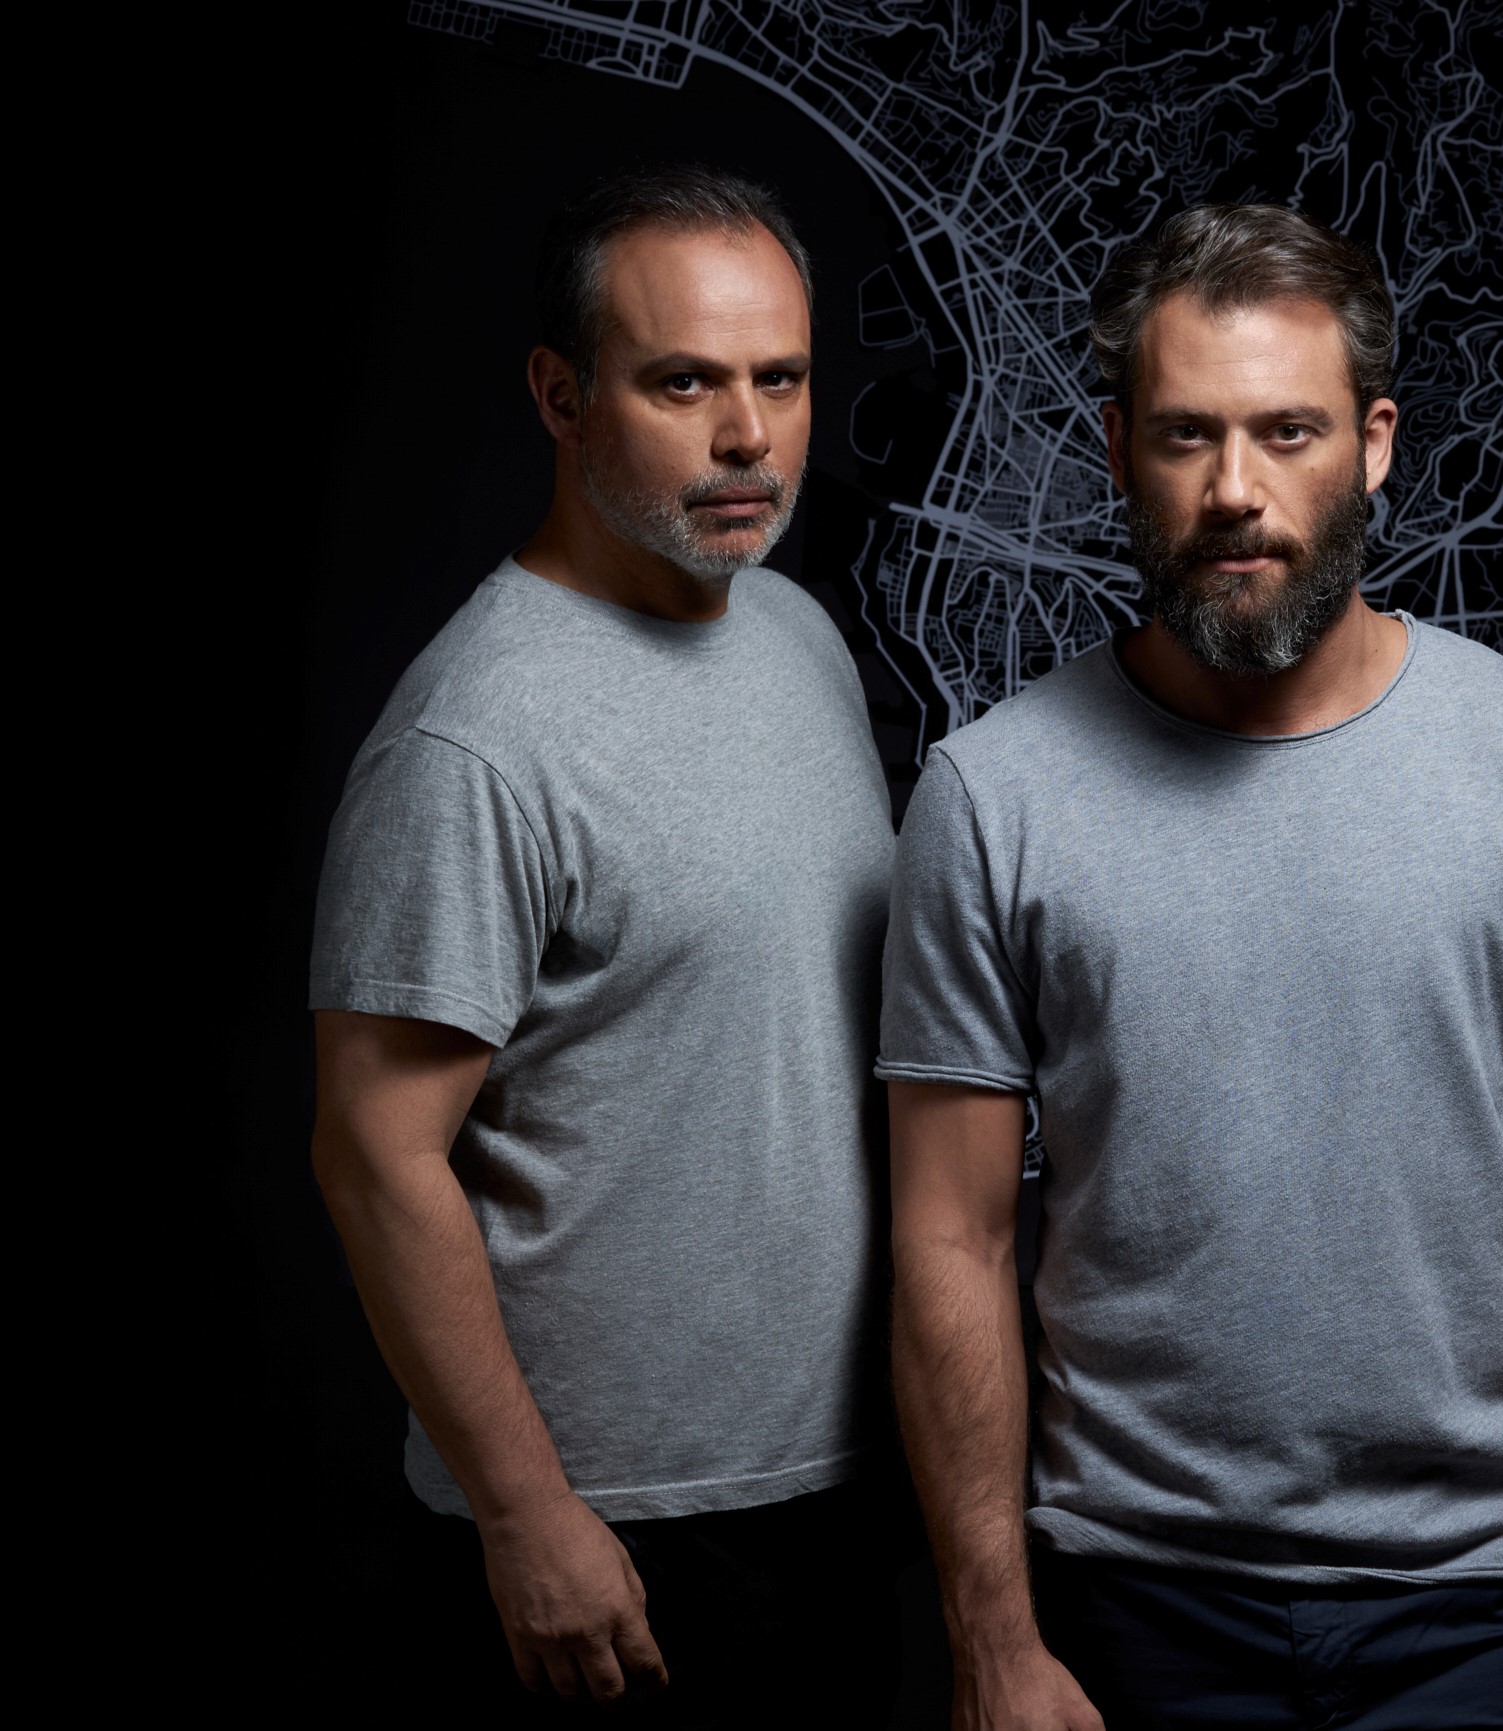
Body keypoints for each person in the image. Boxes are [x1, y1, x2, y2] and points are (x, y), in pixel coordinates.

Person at [882, 204, 1503, 1731]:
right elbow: (950, 1238)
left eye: (1289, 431)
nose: (1236, 492)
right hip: (1129, 1610)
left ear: (1374, 445)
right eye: (1186, 435)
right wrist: (993, 1642)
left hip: (1486, 1613)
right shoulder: (992, 799)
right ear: (1118, 449)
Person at [308, 165, 904, 1719]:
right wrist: (525, 1516)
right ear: (563, 398)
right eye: (683, 383)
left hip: (840, 1488)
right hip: (617, 1542)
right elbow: (375, 1155)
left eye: (782, 379)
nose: (748, 436)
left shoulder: (794, 633)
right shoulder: (475, 739)